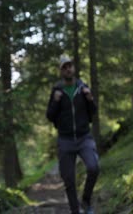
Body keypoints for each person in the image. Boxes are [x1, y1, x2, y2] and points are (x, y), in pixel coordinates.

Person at [46, 56, 99, 214]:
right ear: (61, 71)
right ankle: (75, 211)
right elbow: (49, 116)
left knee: (94, 167)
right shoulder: (57, 90)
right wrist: (55, 102)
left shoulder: (83, 87)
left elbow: (93, 111)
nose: (68, 69)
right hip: (65, 140)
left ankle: (86, 201)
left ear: (74, 68)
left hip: (84, 137)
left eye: (70, 66)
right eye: (64, 67)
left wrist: (90, 99)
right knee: (68, 179)